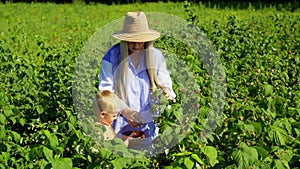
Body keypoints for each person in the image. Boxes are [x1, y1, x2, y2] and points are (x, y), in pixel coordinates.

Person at [98, 11, 176, 151]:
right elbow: (105, 91)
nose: (135, 44)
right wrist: (126, 111)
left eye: (140, 40)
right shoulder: (112, 56)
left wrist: (165, 97)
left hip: (149, 126)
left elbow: (167, 87)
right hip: (120, 124)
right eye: (131, 40)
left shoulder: (156, 57)